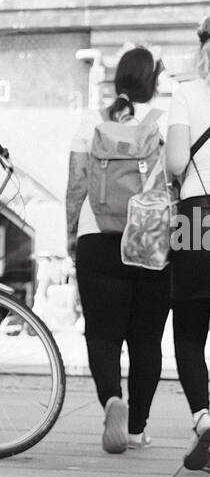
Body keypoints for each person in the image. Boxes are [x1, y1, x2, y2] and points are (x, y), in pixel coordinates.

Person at [66, 46, 170, 453]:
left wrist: (72, 233)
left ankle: (112, 399)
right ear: (155, 81)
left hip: (97, 238)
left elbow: (76, 183)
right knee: (146, 339)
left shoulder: (91, 121)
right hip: (151, 238)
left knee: (103, 335)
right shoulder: (164, 122)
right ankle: (136, 428)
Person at [164, 16, 210, 472]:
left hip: (196, 217)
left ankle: (204, 417)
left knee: (190, 329)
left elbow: (176, 162)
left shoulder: (186, 93)